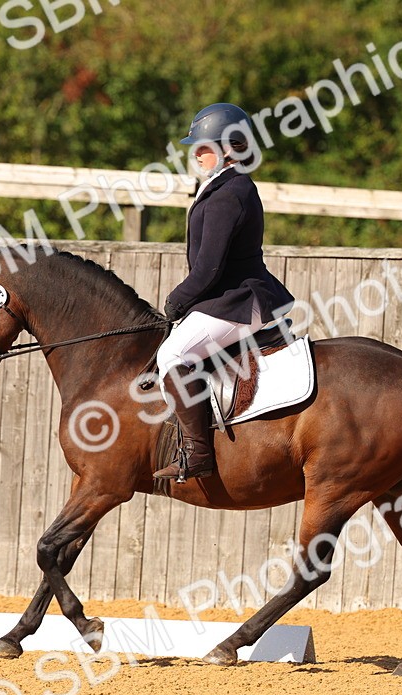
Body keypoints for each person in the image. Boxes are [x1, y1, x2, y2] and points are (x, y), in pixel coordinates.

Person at [153, 102, 295, 481]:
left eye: (204, 147)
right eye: (196, 147)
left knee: (172, 355)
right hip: (226, 298)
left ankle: (198, 454)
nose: (197, 154)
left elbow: (209, 268)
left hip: (238, 301)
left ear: (230, 146)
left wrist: (177, 300)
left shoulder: (230, 192)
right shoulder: (221, 186)